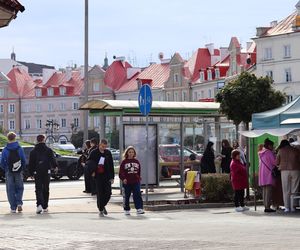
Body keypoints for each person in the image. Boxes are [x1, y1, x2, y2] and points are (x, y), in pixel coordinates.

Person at [28, 135, 58, 214]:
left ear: (37, 140)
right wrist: (55, 167)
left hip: (37, 172)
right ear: (44, 140)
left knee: (38, 189)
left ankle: (39, 205)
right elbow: (52, 160)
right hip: (46, 171)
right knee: (46, 188)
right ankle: (45, 206)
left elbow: (31, 163)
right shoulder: (48, 150)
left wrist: (31, 173)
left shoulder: (33, 151)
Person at [87, 139, 114, 217]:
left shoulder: (108, 153)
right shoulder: (94, 152)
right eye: (102, 146)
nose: (103, 148)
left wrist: (112, 177)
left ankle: (102, 205)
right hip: (98, 175)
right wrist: (92, 171)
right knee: (100, 193)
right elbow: (89, 162)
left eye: (105, 146)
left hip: (107, 175)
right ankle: (101, 209)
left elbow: (111, 165)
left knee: (108, 193)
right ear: (99, 145)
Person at [0, 132, 26, 213]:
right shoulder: (20, 148)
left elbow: (1, 162)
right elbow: (23, 160)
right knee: (20, 187)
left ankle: (13, 208)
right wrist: (22, 168)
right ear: (15, 138)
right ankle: (19, 203)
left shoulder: (5, 150)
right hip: (18, 170)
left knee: (10, 189)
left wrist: (6, 169)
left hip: (9, 171)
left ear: (8, 138)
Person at [119, 146, 144, 215]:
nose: (131, 153)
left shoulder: (136, 161)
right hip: (127, 182)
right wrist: (123, 179)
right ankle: (126, 209)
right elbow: (121, 172)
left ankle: (139, 208)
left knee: (137, 194)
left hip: (136, 181)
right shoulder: (124, 162)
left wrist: (138, 177)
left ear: (134, 153)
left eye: (132, 152)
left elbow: (139, 171)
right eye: (129, 152)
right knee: (126, 195)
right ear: (127, 153)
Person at [276, 139, 300, 212]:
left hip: (284, 171)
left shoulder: (280, 151)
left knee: (286, 189)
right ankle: (293, 207)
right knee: (294, 189)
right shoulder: (295, 150)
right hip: (295, 170)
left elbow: (277, 162)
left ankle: (287, 207)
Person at [259, 138, 276, 213]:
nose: (273, 147)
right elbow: (274, 162)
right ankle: (268, 207)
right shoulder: (269, 152)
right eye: (272, 146)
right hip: (268, 173)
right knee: (268, 190)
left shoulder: (261, 153)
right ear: (269, 146)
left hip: (262, 174)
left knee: (264, 190)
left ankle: (265, 206)